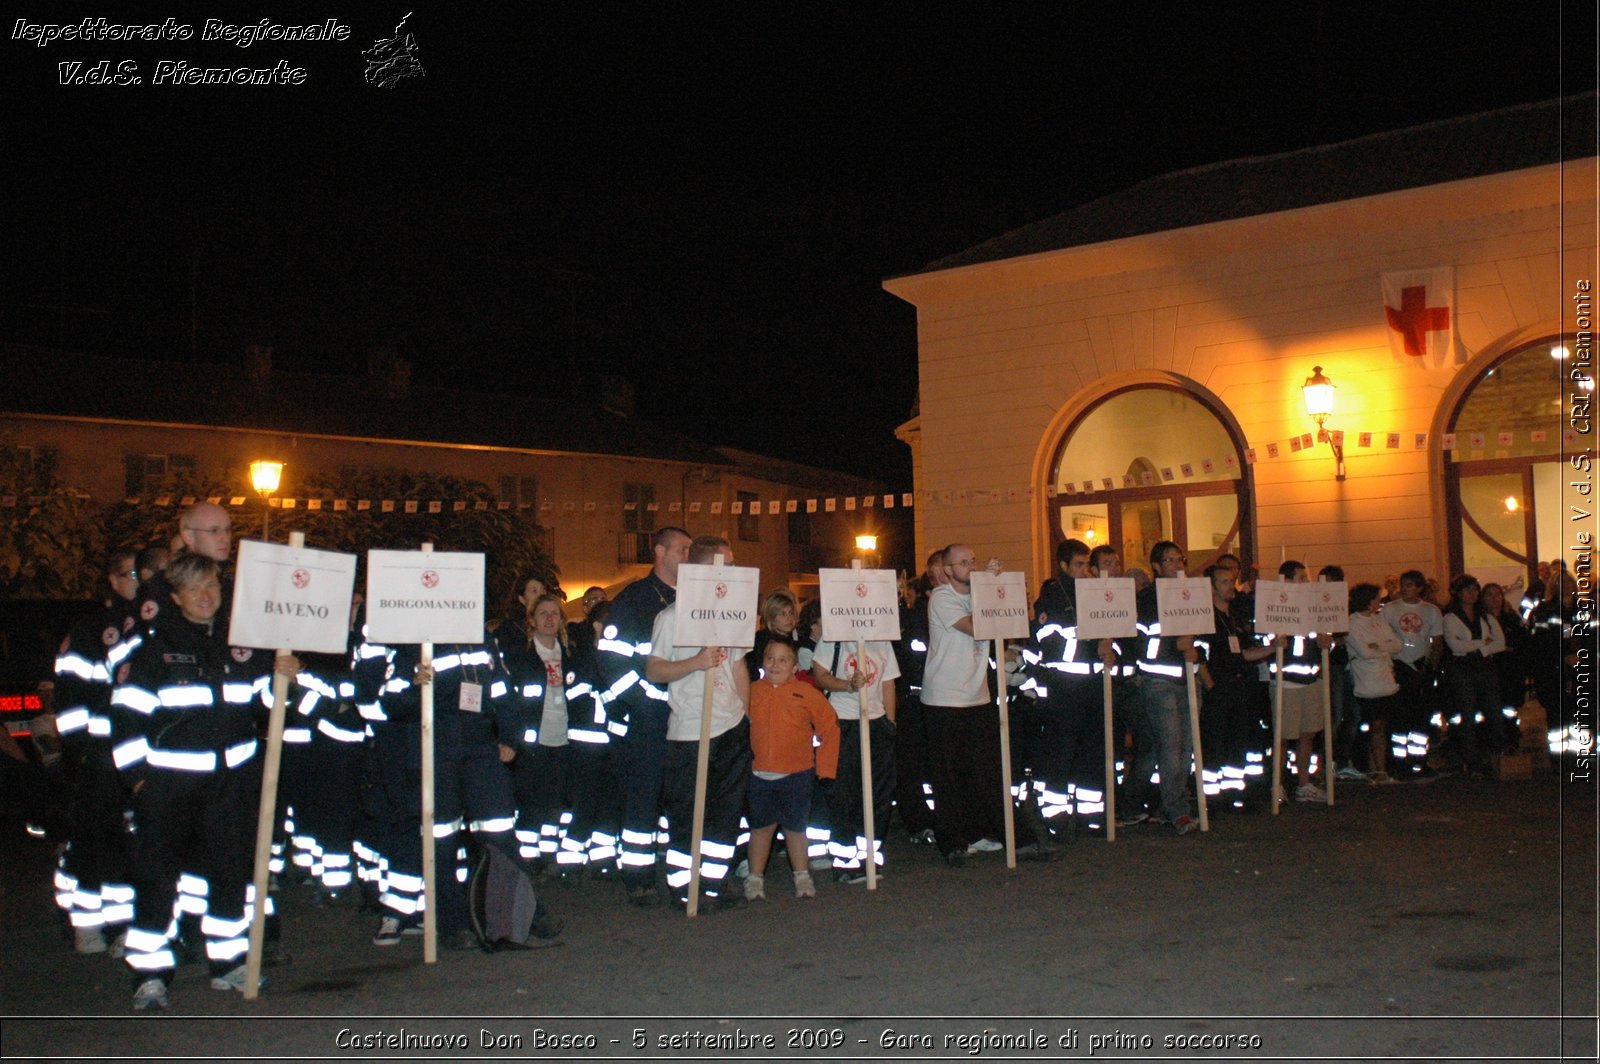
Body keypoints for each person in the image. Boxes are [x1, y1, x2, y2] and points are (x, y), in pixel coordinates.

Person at [110, 554, 288, 1010]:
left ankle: (227, 963)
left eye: (211, 585)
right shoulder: (153, 648)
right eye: (194, 589)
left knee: (230, 877)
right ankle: (149, 974)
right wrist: (139, 784)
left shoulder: (242, 643)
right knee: (158, 881)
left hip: (231, 786)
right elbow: (126, 720)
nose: (206, 596)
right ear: (175, 597)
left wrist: (285, 677)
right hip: (169, 788)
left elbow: (265, 702)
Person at [921, 544, 1052, 865]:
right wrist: (990, 589)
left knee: (990, 772)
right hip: (944, 700)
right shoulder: (942, 598)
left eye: (972, 561)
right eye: (962, 562)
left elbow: (999, 620)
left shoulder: (976, 592)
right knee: (948, 776)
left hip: (977, 697)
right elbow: (977, 625)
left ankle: (1015, 838)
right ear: (948, 570)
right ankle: (953, 844)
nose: (969, 566)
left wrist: (994, 586)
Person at [645, 535, 752, 909]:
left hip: (731, 727)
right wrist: (695, 663)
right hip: (691, 730)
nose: (735, 571)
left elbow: (738, 665)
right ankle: (682, 887)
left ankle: (713, 885)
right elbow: (655, 669)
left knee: (726, 814)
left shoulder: (731, 615)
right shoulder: (672, 617)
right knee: (689, 813)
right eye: (728, 563)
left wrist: (744, 716)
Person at [52, 548, 141, 954]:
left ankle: (125, 924)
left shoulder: (150, 625)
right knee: (96, 839)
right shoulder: (90, 631)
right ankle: (88, 924)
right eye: (132, 573)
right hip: (100, 756)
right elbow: (70, 697)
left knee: (130, 841)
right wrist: (82, 752)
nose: (140, 580)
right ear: (113, 579)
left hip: (137, 754)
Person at [597, 527, 691, 907]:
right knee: (643, 797)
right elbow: (610, 662)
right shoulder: (633, 601)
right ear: (659, 552)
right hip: (647, 719)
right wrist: (640, 704)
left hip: (685, 714)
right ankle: (638, 876)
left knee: (681, 797)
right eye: (683, 549)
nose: (689, 555)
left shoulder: (692, 599)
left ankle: (682, 876)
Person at [743, 641, 840, 900]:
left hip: (797, 773)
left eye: (783, 660)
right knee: (761, 828)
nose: (775, 665)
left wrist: (825, 767)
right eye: (770, 658)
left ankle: (802, 875)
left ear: (795, 666)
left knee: (795, 829)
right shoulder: (751, 691)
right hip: (759, 773)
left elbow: (829, 727)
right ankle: (754, 878)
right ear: (762, 662)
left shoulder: (806, 693)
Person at [1024, 538, 1107, 832]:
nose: (1085, 571)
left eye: (1087, 565)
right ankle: (1055, 813)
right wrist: (1089, 637)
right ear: (1063, 566)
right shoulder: (1052, 597)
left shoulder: (1097, 593)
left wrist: (1109, 648)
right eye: (1079, 565)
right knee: (1061, 749)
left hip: (1095, 681)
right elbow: (1049, 641)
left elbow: (1117, 633)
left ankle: (1089, 812)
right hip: (1064, 685)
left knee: (1093, 749)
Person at [812, 628, 899, 883]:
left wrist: (889, 723)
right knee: (843, 793)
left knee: (877, 793)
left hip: (876, 722)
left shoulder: (881, 638)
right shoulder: (834, 635)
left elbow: (888, 683)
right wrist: (847, 685)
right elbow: (820, 674)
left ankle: (870, 856)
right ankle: (845, 860)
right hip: (843, 722)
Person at [1128, 541, 1201, 833]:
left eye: (1179, 559)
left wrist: (1197, 652)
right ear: (1157, 567)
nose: (1176, 565)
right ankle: (1176, 810)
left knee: (1187, 748)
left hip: (1187, 680)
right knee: (1170, 748)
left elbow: (1203, 635)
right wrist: (1175, 641)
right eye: (1169, 560)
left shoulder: (1191, 596)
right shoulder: (1147, 599)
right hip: (1159, 682)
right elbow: (1143, 640)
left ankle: (1173, 802)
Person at [1194, 563, 1273, 810]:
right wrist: (1211, 688)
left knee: (1237, 744)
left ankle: (1232, 795)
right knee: (1215, 746)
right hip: (1219, 691)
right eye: (1225, 582)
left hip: (1239, 688)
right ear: (1211, 587)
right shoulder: (1205, 619)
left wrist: (1273, 648)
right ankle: (1211, 800)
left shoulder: (1233, 617)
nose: (1231, 586)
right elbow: (1199, 656)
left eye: (1232, 580)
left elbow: (1243, 654)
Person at [1267, 560, 1333, 802]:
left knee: (1308, 733)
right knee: (1282, 737)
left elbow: (1321, 642)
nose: (1306, 582)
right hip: (1286, 683)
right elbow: (1264, 642)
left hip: (1311, 680)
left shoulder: (1314, 609)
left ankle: (1303, 783)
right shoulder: (1275, 608)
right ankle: (1277, 784)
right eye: (1301, 578)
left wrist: (1326, 643)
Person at [1383, 570, 1445, 777]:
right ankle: (1398, 763)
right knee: (1399, 718)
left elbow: (1437, 643)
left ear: (1419, 587)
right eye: (1404, 584)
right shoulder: (1390, 609)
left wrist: (1430, 667)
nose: (1405, 588)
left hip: (1421, 668)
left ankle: (1419, 761)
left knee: (1421, 718)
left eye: (1410, 585)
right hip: (1398, 666)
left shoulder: (1431, 611)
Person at [1440, 575, 1504, 774]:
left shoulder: (1486, 617)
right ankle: (1471, 758)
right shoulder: (1450, 617)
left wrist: (1479, 649)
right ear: (1458, 594)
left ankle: (1497, 754)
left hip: (1485, 667)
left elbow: (1500, 643)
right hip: (1461, 669)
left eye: (1475, 590)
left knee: (1493, 711)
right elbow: (1455, 645)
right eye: (1467, 590)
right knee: (1467, 714)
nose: (1472, 594)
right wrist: (1483, 643)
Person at [1346, 583, 1402, 784]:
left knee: (1383, 725)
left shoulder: (1379, 620)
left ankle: (1380, 768)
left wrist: (1378, 646)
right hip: (1366, 684)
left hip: (1386, 680)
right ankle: (1374, 768)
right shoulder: (1352, 623)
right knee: (1373, 725)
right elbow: (1364, 652)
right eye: (1377, 598)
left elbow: (1397, 644)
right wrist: (1383, 647)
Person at [1480, 582, 1529, 752]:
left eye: (1498, 594)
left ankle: (1510, 738)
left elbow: (1523, 640)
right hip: (1489, 669)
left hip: (1510, 670)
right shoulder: (1481, 620)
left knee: (1510, 707)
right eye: (1490, 595)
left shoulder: (1511, 618)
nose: (1495, 598)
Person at [747, 588, 802, 682]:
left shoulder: (794, 640)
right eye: (783, 614)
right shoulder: (761, 640)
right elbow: (753, 671)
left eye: (791, 613)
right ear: (771, 617)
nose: (789, 618)